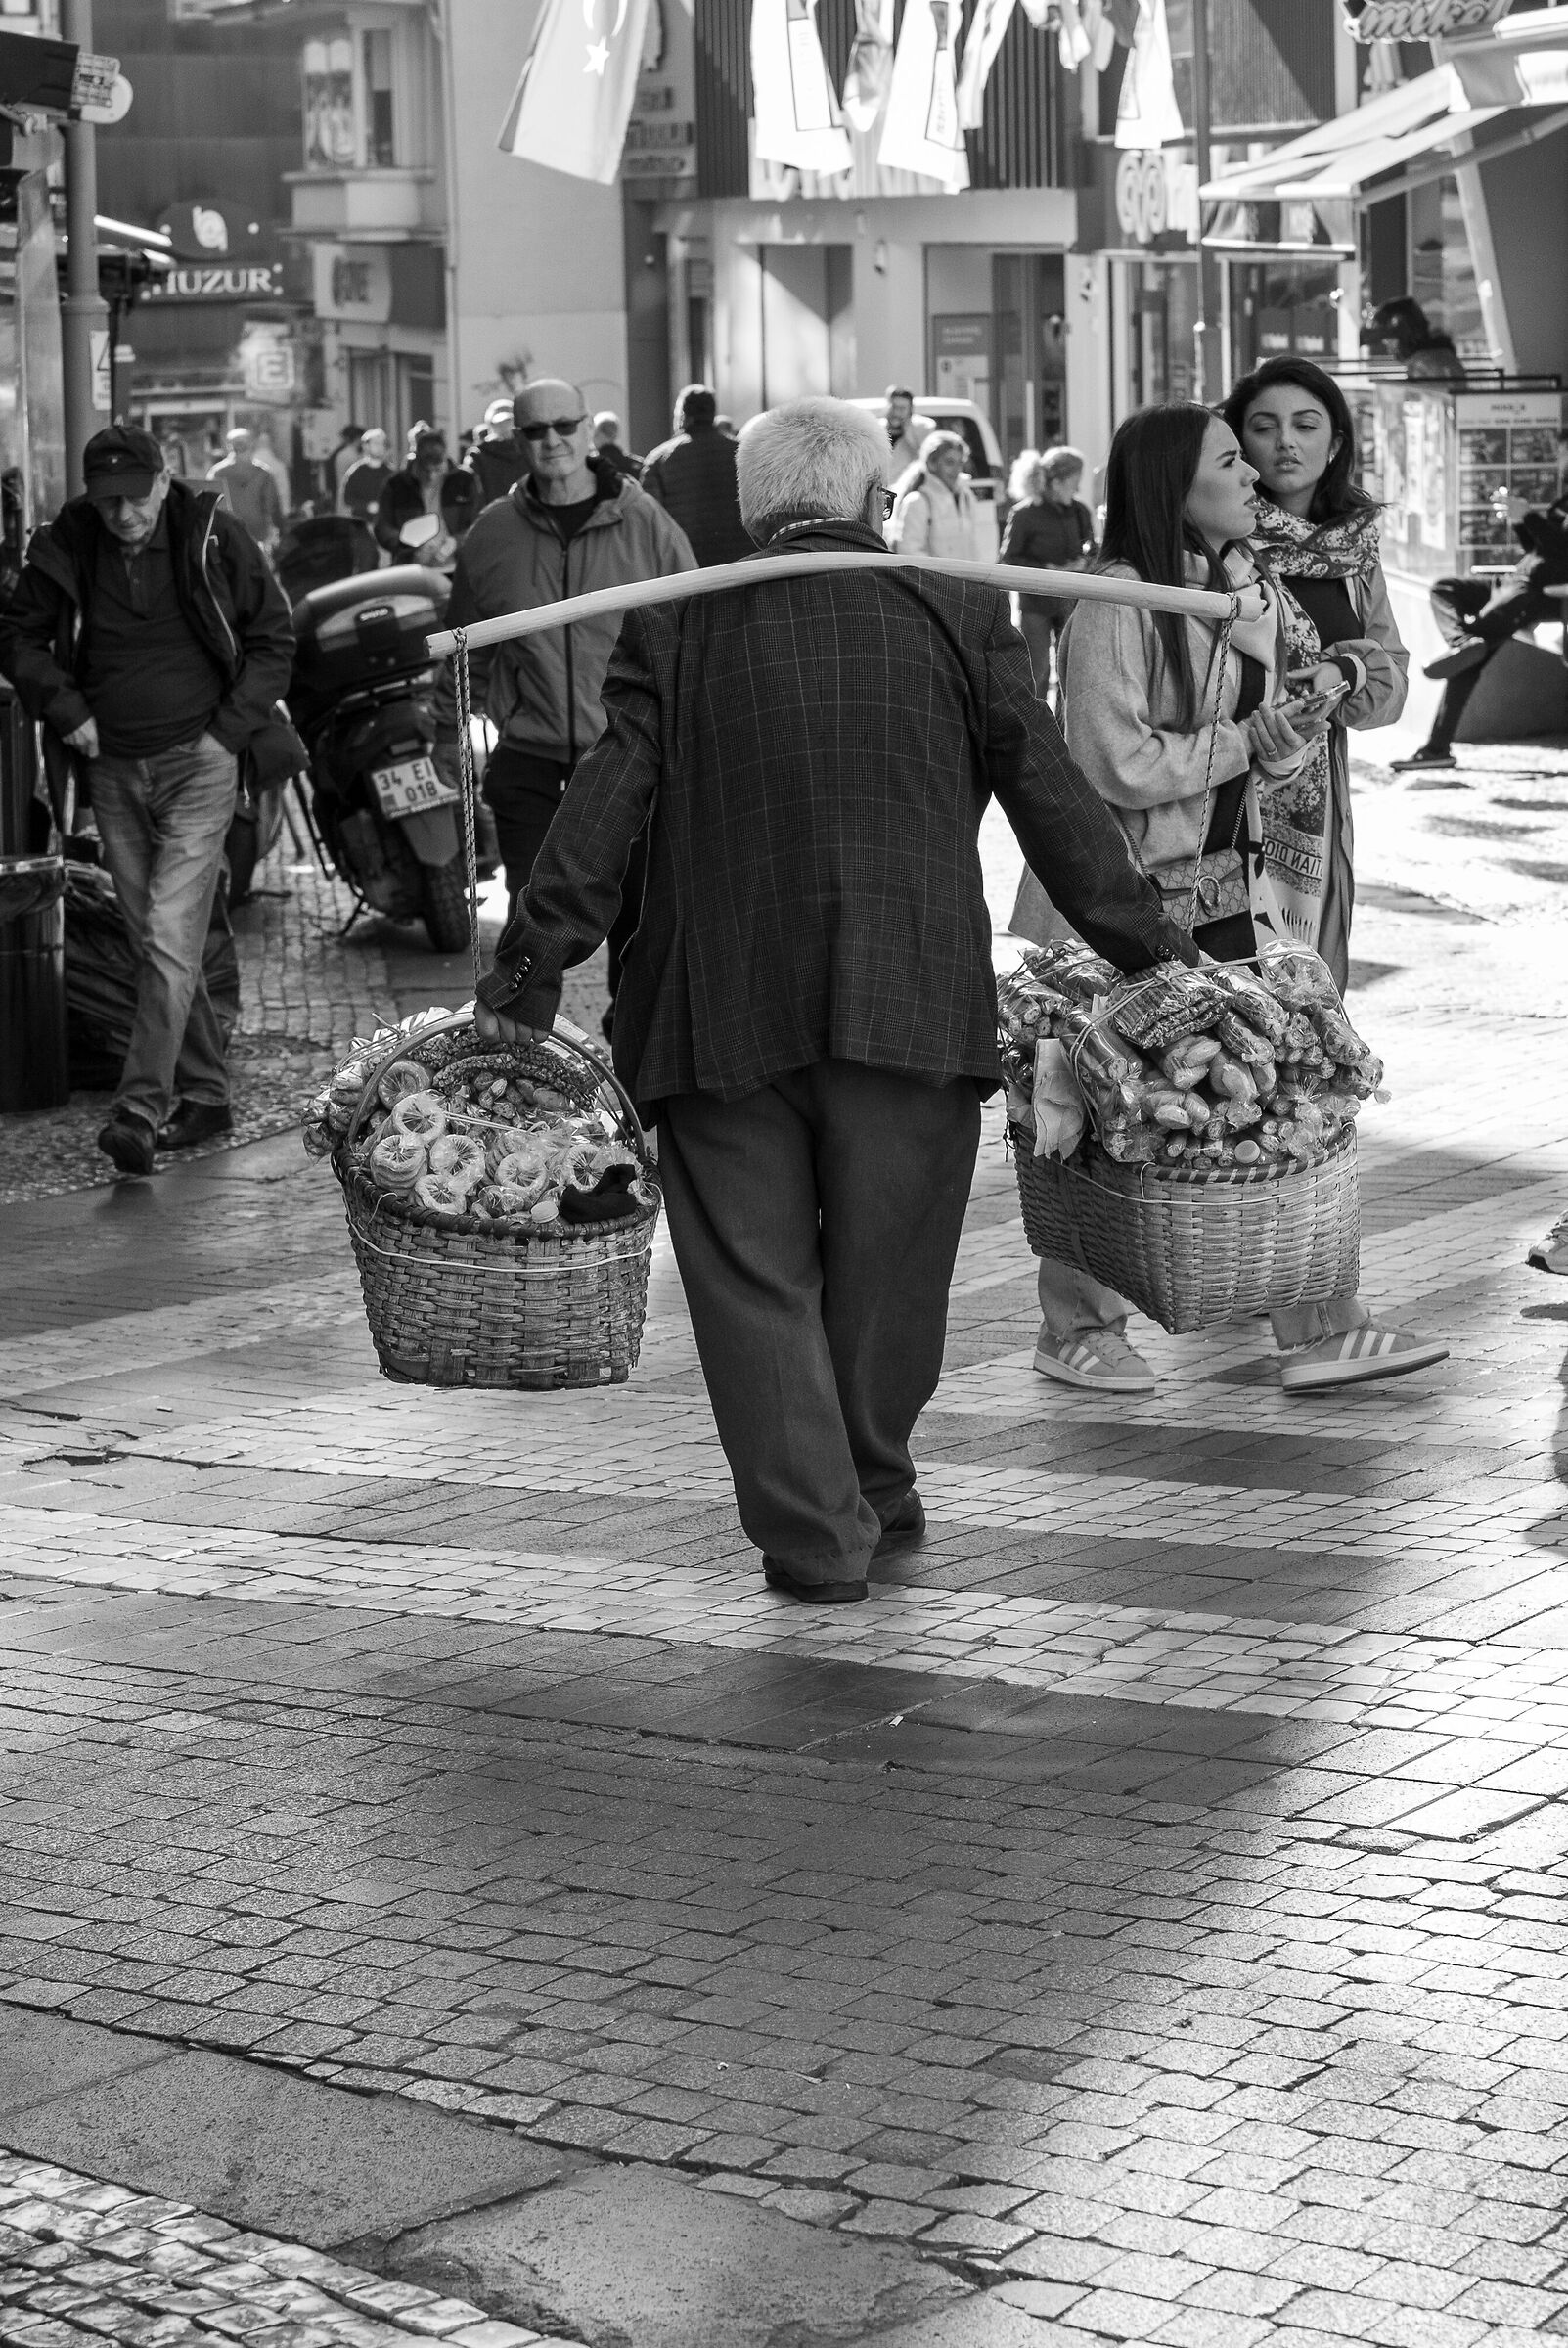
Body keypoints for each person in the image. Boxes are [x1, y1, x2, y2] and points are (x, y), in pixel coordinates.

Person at [470, 395, 1199, 1603]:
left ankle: (818, 1533)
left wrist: (528, 970)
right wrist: (1152, 951)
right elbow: (1054, 798)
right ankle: (871, 1477)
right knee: (889, 1272)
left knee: (752, 1280)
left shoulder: (676, 620)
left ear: (754, 514)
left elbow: (605, 801)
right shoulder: (957, 608)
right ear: (876, 502)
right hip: (909, 997)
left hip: (715, 1005)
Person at [1027, 403, 1447, 1398]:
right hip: (1121, 902)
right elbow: (1113, 762)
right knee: (1101, 1117)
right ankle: (1076, 1328)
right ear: (1174, 487)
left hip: (1231, 888)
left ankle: (1322, 1324)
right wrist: (1246, 743)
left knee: (1285, 1096)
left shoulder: (1244, 591)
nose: (1255, 474)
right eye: (1230, 458)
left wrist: (1289, 729)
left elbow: (1256, 747)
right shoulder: (1115, 602)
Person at [0, 424, 293, 1174]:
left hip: (201, 764)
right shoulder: (68, 543)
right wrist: (65, 708)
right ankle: (207, 1092)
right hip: (113, 771)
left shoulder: (212, 535)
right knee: (158, 944)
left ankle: (138, 1108)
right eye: (109, 501)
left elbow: (273, 639)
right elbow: (18, 636)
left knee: (166, 935)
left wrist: (226, 735)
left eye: (136, 497)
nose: (124, 514)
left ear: (165, 482)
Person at [430, 377, 696, 1032]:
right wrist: (443, 732)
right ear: (516, 440)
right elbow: (464, 649)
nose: (551, 440)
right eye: (534, 430)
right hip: (530, 756)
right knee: (528, 920)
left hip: (630, 756)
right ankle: (518, 1071)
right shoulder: (493, 534)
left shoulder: (645, 523)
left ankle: (633, 1059)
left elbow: (693, 635)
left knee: (639, 925)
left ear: (586, 429)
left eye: (563, 426)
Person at [1222, 355, 1409, 989]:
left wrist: (1344, 671)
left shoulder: (1354, 551)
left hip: (1317, 811)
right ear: (1237, 445)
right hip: (1223, 793)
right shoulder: (1218, 542)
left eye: (1305, 425)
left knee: (1304, 999)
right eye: (1263, 427)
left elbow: (1390, 685)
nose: (1285, 442)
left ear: (1334, 446)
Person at [1392, 431, 1568, 771]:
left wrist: (1530, 517)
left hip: (1532, 595)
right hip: (1514, 581)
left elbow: (1563, 554)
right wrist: (1521, 522)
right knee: (1445, 588)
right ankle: (1462, 642)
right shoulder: (1564, 500)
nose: (1561, 462)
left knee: (1468, 663)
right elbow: (1539, 550)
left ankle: (1437, 748)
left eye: (1565, 454)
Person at [999, 444, 1096, 695]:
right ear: (1057, 482)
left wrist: (1084, 562)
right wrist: (1046, 568)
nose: (1078, 488)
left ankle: (1064, 720)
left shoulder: (1080, 511)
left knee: (1070, 671)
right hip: (1036, 603)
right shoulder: (1024, 514)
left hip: (1071, 601)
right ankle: (1034, 717)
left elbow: (1091, 548)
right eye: (1075, 480)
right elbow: (1009, 559)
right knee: (1037, 670)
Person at [639, 385, 754, 566]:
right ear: (712, 414)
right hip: (740, 563)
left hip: (687, 566)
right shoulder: (744, 453)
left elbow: (649, 521)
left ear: (683, 415)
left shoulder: (659, 460)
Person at [374, 423, 480, 564]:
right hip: (410, 566)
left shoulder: (464, 481)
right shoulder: (396, 485)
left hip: (456, 566)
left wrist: (456, 542)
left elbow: (479, 523)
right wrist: (408, 544)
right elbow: (383, 527)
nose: (432, 476)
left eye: (437, 469)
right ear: (416, 461)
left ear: (445, 460)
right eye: (426, 470)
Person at [888, 430, 981, 562]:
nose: (956, 470)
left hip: (965, 574)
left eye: (960, 463)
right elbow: (909, 552)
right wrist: (943, 571)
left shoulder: (966, 496)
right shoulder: (918, 501)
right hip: (934, 575)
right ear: (932, 463)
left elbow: (974, 547)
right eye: (949, 462)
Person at [207, 427, 284, 552]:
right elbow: (271, 507)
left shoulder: (217, 473)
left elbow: (209, 504)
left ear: (229, 446)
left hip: (229, 535)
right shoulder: (262, 473)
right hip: (253, 536)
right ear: (251, 444)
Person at [467, 398, 528, 507]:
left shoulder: (529, 451)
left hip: (499, 512)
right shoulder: (477, 456)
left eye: (508, 421)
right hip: (508, 513)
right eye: (500, 423)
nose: (504, 426)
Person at [882, 385, 933, 486]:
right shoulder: (877, 429)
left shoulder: (922, 429)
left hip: (905, 488)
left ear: (910, 410)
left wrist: (907, 431)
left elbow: (926, 461)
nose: (896, 413)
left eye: (902, 409)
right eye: (893, 407)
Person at [341, 427, 391, 523]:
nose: (379, 447)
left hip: (384, 524)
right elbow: (347, 499)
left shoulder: (390, 473)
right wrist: (367, 506)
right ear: (366, 446)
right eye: (376, 443)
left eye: (382, 443)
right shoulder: (356, 472)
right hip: (361, 524)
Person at [593, 411, 643, 482]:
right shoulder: (638, 464)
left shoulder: (589, 466)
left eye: (595, 435)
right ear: (615, 434)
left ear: (600, 435)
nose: (592, 440)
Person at [329, 423, 363, 512]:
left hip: (341, 495)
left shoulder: (340, 454)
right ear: (358, 438)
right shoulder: (353, 456)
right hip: (351, 499)